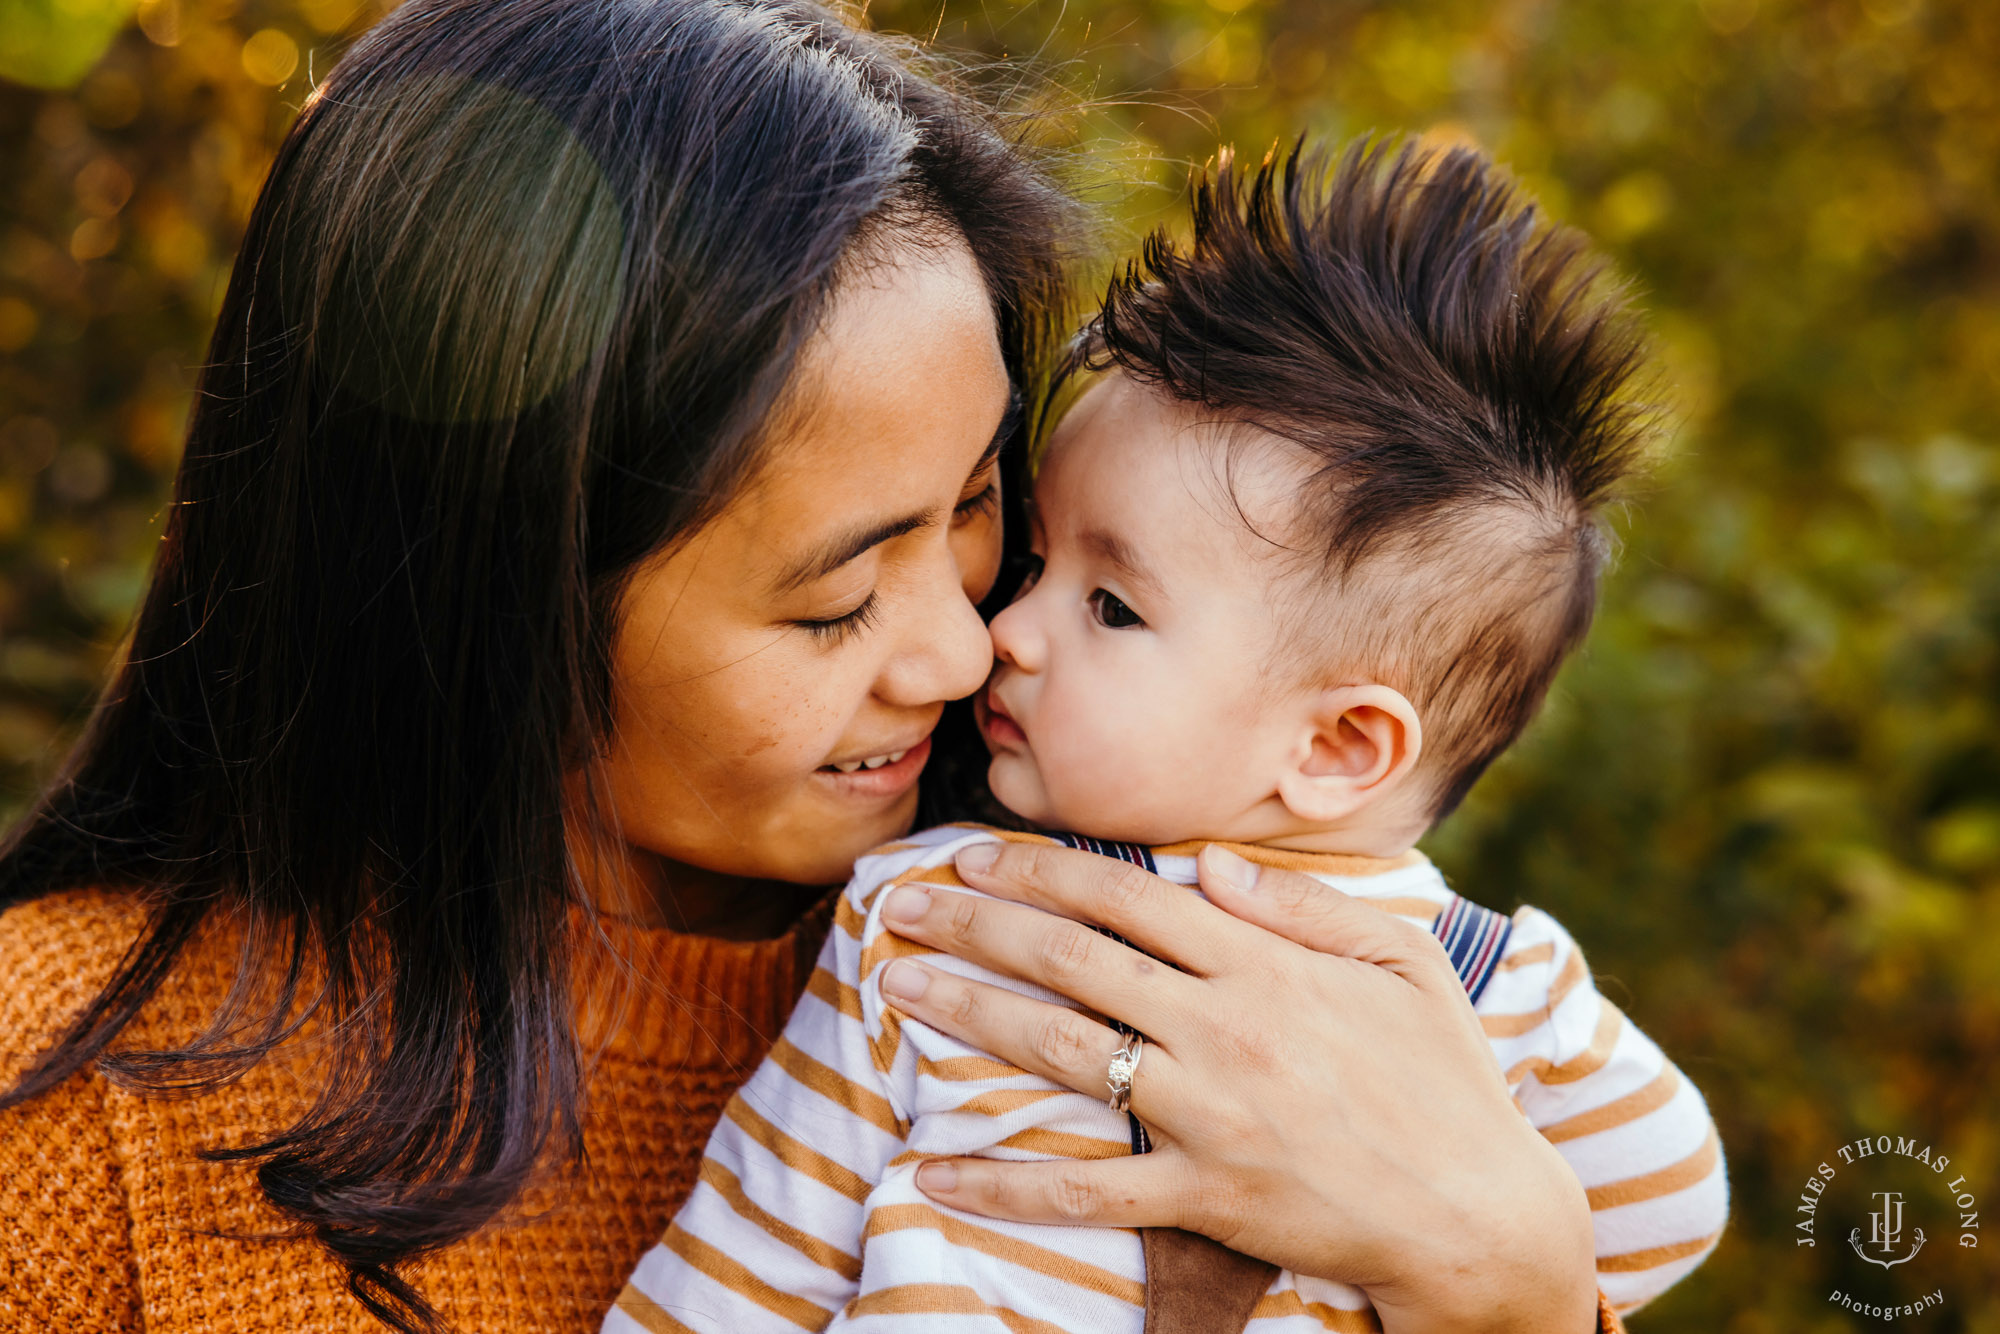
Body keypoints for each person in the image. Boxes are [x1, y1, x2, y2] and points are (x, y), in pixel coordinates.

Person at [0, 2, 1622, 1331]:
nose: (967, 640)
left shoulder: (1199, 967)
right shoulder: (56, 1116)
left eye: (987, 511)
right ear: (494, 604)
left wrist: (1515, 1286)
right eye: (835, 596)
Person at [613, 142, 1728, 1334]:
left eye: (1110, 606)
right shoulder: (931, 918)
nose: (1003, 633)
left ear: (1339, 746)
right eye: (1036, 561)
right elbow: (745, 1260)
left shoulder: (1481, 992)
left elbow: (1634, 1218)